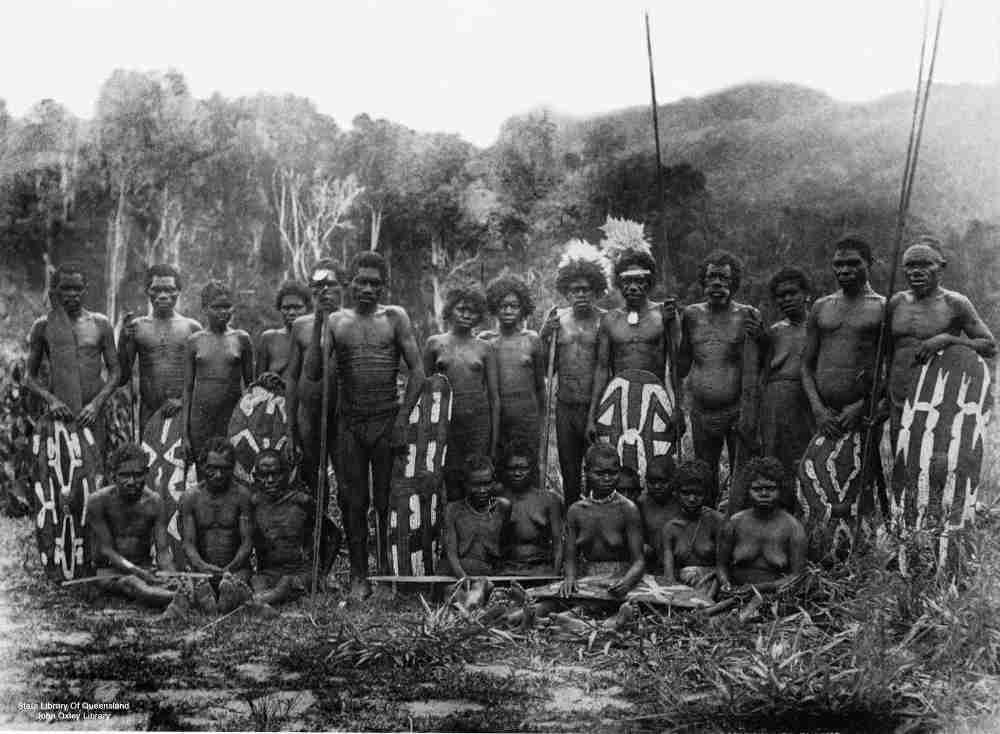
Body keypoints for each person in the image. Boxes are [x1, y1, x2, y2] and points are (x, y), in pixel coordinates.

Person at [309, 251, 425, 598]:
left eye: (375, 283)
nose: (367, 289)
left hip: (387, 420)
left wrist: (403, 421)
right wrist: (318, 319)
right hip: (349, 424)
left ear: (383, 287)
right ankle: (359, 575)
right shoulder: (336, 322)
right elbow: (315, 371)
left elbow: (417, 371)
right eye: (361, 281)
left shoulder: (395, 318)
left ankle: (387, 573)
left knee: (387, 500)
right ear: (350, 283)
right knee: (352, 500)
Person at [887, 237, 996, 442]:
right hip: (899, 397)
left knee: (930, 463)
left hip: (938, 400)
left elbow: (990, 346)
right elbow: (887, 353)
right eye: (910, 265)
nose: (917, 271)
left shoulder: (955, 302)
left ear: (941, 267)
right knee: (900, 463)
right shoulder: (896, 302)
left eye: (926, 264)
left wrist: (948, 339)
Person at [677, 251, 762, 506]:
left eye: (723, 278)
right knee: (704, 475)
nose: (717, 283)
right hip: (702, 411)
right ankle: (707, 528)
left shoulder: (747, 315)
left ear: (733, 282)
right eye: (711, 277)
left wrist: (750, 412)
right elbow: (681, 364)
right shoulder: (691, 315)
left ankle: (737, 527)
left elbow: (760, 365)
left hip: (736, 410)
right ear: (703, 281)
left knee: (742, 475)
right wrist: (670, 328)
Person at [586, 249, 682, 445]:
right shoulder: (610, 320)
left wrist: (677, 408)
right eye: (627, 282)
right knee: (620, 462)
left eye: (639, 281)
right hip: (619, 400)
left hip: (656, 398)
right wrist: (592, 415)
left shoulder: (664, 315)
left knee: (656, 465)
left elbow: (675, 367)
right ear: (619, 284)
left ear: (649, 283)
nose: (633, 287)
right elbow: (602, 369)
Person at [539, 240, 609, 506]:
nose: (581, 295)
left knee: (598, 473)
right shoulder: (558, 319)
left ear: (596, 291)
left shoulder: (605, 320)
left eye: (586, 289)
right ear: (566, 292)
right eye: (575, 290)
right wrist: (545, 334)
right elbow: (547, 366)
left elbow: (606, 367)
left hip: (597, 409)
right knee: (569, 474)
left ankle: (597, 526)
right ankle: (572, 528)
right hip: (565, 407)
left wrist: (595, 414)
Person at [26, 262, 121, 455]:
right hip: (60, 414)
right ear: (55, 291)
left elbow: (116, 372)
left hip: (93, 414)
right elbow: (29, 377)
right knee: (62, 473)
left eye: (77, 288)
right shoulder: (43, 326)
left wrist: (96, 404)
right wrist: (51, 400)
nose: (72, 294)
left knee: (94, 473)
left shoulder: (100, 324)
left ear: (86, 290)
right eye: (65, 288)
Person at [87, 443, 188, 617]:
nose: (131, 482)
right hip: (108, 572)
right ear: (112, 476)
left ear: (146, 473)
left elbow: (163, 551)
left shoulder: (154, 502)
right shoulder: (98, 502)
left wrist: (170, 575)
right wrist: (136, 571)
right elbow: (107, 550)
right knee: (133, 583)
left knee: (175, 580)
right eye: (124, 476)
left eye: (138, 475)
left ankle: (177, 594)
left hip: (145, 568)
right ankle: (180, 599)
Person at [802, 235, 885, 442]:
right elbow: (805, 365)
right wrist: (818, 409)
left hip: (861, 414)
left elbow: (892, 367)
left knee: (865, 472)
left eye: (853, 263)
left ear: (870, 263)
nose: (845, 270)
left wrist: (864, 405)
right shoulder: (821, 306)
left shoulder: (884, 307)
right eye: (838, 264)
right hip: (825, 415)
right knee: (816, 472)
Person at [424, 285, 500, 500]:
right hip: (446, 425)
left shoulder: (484, 348)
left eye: (473, 311)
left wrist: (493, 443)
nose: (466, 315)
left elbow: (494, 397)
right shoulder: (435, 343)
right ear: (450, 310)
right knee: (451, 479)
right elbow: (425, 391)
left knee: (478, 479)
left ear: (479, 316)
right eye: (461, 309)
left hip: (478, 425)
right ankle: (452, 528)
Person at [248, 449, 341, 613]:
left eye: (275, 474)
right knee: (257, 581)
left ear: (286, 474)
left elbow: (334, 534)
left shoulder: (302, 502)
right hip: (269, 573)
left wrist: (323, 573)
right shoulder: (254, 504)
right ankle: (268, 601)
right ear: (256, 477)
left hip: (301, 573)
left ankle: (265, 600)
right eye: (264, 475)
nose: (270, 480)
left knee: (287, 582)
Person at [755, 267, 814, 508]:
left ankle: (806, 513)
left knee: (803, 458)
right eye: (781, 296)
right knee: (773, 459)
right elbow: (763, 373)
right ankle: (777, 512)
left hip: (805, 401)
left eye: (792, 293)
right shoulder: (775, 331)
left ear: (806, 294)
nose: (786, 299)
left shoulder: (817, 326)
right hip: (774, 403)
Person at [118, 264, 202, 431]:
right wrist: (122, 341)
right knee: (148, 456)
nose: (163, 296)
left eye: (169, 290)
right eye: (156, 290)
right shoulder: (137, 327)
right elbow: (123, 377)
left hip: (183, 411)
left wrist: (182, 401)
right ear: (148, 292)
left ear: (178, 292)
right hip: (149, 411)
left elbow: (203, 376)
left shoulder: (192, 328)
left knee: (183, 456)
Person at [284, 261, 341, 497]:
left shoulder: (352, 321)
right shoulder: (301, 325)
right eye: (317, 285)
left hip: (342, 415)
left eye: (330, 283)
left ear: (342, 286)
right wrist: (290, 429)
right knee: (313, 484)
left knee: (348, 484)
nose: (323, 290)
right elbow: (292, 378)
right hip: (308, 415)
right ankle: (318, 533)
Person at [179, 438, 254, 614]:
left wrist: (230, 568)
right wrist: (203, 566)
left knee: (235, 583)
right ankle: (208, 596)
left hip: (236, 569)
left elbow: (247, 542)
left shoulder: (242, 496)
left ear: (232, 467)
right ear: (203, 466)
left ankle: (225, 595)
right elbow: (188, 543)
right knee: (194, 584)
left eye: (224, 469)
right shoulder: (190, 498)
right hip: (201, 569)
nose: (218, 475)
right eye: (212, 468)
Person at [561, 444, 645, 598]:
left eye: (612, 473)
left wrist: (627, 582)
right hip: (586, 579)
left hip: (621, 578)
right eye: (600, 474)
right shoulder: (575, 511)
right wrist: (570, 577)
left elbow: (639, 561)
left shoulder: (628, 509)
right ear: (586, 472)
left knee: (627, 603)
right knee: (555, 600)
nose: (607, 479)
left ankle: (614, 620)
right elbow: (570, 558)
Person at [182, 281, 254, 462]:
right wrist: (184, 433)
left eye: (227, 306)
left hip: (231, 417)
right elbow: (188, 388)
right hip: (200, 418)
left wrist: (250, 423)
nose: (223, 312)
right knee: (204, 466)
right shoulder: (194, 341)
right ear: (205, 308)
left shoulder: (241, 339)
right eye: (216, 307)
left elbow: (251, 387)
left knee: (231, 466)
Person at [717, 457, 806, 593]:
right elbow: (721, 566)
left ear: (781, 490)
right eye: (757, 489)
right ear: (748, 490)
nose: (764, 494)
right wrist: (725, 583)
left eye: (770, 488)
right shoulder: (735, 523)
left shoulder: (793, 528)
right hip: (734, 594)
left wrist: (758, 589)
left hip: (776, 598)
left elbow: (797, 576)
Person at [481, 275, 546, 458]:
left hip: (526, 418)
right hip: (497, 418)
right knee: (499, 467)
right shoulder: (486, 341)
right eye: (503, 306)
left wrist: (541, 423)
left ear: (522, 309)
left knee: (527, 466)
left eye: (514, 306)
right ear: (495, 308)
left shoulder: (532, 340)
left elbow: (540, 387)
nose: (508, 311)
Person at [496, 440, 563, 575]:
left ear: (532, 469)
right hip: (507, 570)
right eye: (512, 468)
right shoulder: (498, 501)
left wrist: (553, 576)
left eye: (522, 468)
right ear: (505, 470)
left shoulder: (549, 500)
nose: (517, 473)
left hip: (541, 569)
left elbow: (558, 545)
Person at [660, 459, 725, 597]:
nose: (691, 499)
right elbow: (669, 576)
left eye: (698, 493)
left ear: (706, 493)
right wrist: (676, 598)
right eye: (686, 493)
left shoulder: (716, 521)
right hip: (681, 592)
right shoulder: (670, 528)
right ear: (676, 493)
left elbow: (722, 568)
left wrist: (708, 599)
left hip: (712, 588)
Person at [441, 455, 512, 578]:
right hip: (455, 574)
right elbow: (451, 553)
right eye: (476, 485)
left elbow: (505, 546)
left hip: (488, 575)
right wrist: (463, 577)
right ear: (465, 484)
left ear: (493, 481)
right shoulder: (453, 510)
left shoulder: (503, 507)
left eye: (487, 483)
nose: (482, 490)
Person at [256, 280, 312, 378]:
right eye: (286, 308)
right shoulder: (269, 339)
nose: (291, 313)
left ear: (307, 308)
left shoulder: (316, 338)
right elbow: (259, 383)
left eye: (297, 307)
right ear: (280, 309)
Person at [636, 455, 679, 571]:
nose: (657, 487)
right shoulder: (641, 504)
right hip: (649, 567)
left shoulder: (683, 504)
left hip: (679, 566)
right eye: (652, 482)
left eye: (663, 481)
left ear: (673, 479)